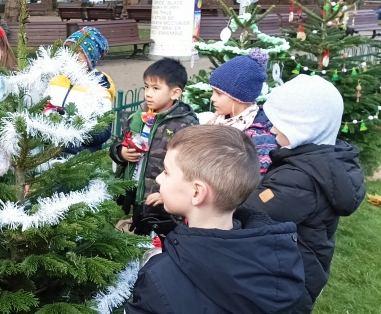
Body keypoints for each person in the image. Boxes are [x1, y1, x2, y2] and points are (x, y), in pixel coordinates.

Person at [125, 125, 305, 313]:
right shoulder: (277, 260)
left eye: (167, 172)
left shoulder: (159, 276)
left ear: (197, 192)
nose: (160, 179)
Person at [243, 75, 365, 313]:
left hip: (287, 278)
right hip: (305, 267)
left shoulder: (298, 178)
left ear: (305, 128)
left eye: (282, 122)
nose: (272, 127)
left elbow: (250, 213)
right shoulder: (323, 162)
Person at [109, 57, 198, 240]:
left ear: (175, 93)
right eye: (146, 87)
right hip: (136, 190)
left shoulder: (184, 125)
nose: (148, 94)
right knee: (137, 233)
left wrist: (168, 193)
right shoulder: (137, 117)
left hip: (162, 197)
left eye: (156, 88)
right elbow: (118, 142)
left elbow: (190, 168)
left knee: (161, 238)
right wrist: (121, 153)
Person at [207, 48, 278, 176]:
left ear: (238, 97)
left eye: (218, 93)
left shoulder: (259, 137)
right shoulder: (218, 120)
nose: (212, 98)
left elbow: (256, 178)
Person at [54, 27, 116, 154]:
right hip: (49, 156)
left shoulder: (99, 85)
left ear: (91, 57)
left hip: (80, 158)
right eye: (69, 49)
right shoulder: (57, 80)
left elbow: (103, 131)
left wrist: (73, 129)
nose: (73, 55)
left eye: (79, 51)